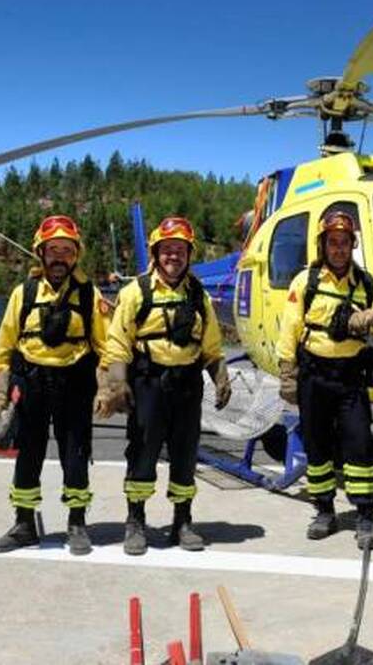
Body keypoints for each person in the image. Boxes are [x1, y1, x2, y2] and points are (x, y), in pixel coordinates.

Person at [95, 216, 231, 555]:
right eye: (167, 250)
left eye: (180, 250)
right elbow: (117, 342)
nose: (174, 256)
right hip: (148, 383)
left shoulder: (198, 295)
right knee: (143, 451)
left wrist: (221, 376)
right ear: (156, 253)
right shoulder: (135, 292)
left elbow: (212, 345)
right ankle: (136, 521)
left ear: (188, 254)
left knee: (185, 454)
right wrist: (117, 384)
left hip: (186, 386)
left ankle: (182, 522)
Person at [0, 215, 108, 556]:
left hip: (75, 385)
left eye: (67, 251)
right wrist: (1, 391)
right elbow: (5, 343)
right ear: (40, 253)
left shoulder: (89, 295)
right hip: (32, 385)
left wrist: (107, 389)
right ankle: (24, 523)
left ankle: (76, 523)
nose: (59, 257)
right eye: (53, 250)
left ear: (76, 256)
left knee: (76, 455)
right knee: (28, 455)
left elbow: (105, 346)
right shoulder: (23, 293)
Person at [277, 210, 373, 550]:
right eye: (333, 242)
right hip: (313, 375)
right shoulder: (306, 282)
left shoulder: (368, 283)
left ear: (352, 245)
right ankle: (324, 511)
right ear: (323, 245)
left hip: (350, 379)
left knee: (359, 445)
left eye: (345, 243)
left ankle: (365, 517)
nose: (339, 248)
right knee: (318, 446)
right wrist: (287, 374)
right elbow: (290, 329)